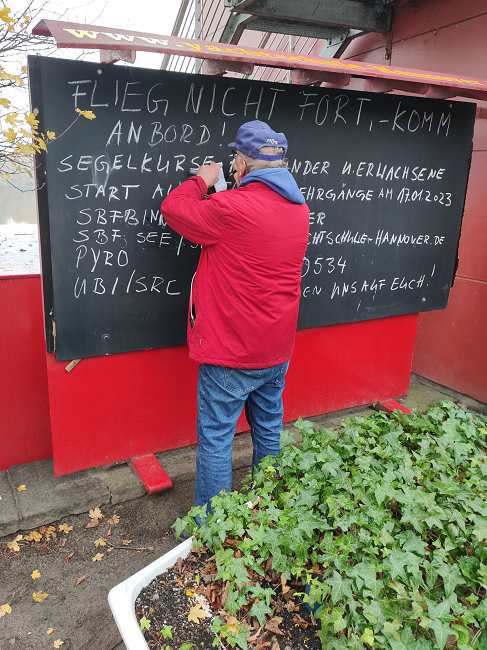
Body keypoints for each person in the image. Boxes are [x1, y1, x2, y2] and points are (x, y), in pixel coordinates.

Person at [161, 119, 309, 509]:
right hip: (276, 348)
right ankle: (268, 509)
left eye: (233, 161)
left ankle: (213, 526)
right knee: (269, 428)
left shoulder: (232, 208)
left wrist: (201, 181)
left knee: (216, 439)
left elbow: (174, 210)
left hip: (231, 350)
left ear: (241, 164)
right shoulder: (300, 209)